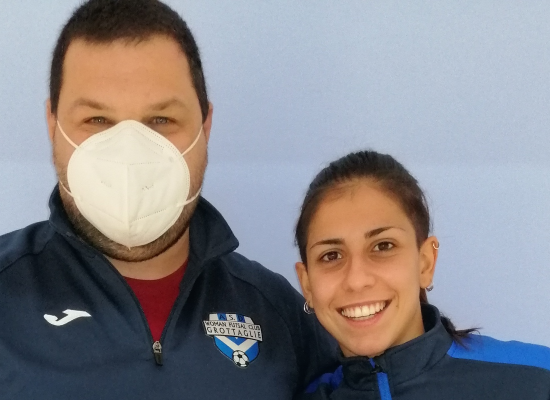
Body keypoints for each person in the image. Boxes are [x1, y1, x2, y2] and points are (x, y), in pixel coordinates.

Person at [0, 0, 336, 398]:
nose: (129, 155)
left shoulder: (280, 315)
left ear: (205, 127)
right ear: (53, 124)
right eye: (97, 120)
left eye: (161, 120)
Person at [293, 150, 550, 399]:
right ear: (307, 285)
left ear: (425, 263)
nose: (357, 280)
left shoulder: (537, 380)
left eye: (383, 246)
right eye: (331, 256)